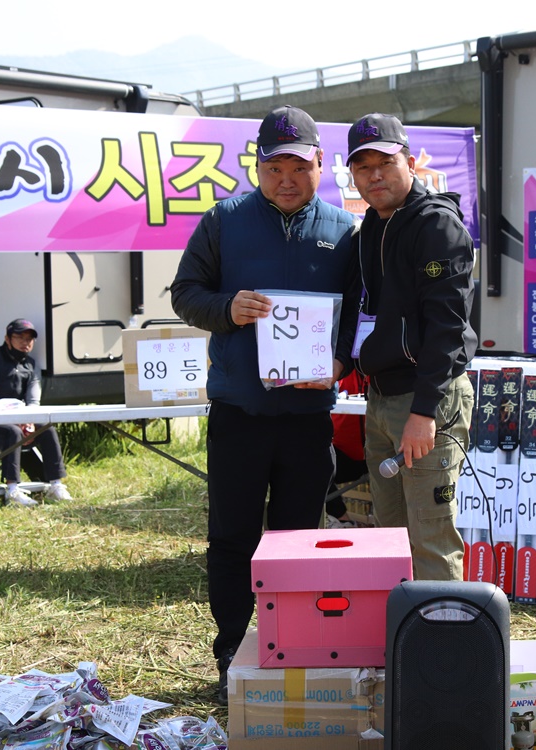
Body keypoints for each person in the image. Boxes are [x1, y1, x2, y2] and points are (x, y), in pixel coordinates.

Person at [170, 105, 359, 704]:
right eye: (274, 167)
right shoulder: (224, 221)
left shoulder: (345, 231)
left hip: (307, 419)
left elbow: (358, 316)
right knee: (232, 537)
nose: (286, 179)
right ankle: (231, 648)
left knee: (299, 539)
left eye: (298, 167)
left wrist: (340, 363)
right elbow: (185, 294)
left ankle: (293, 644)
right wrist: (227, 308)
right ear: (257, 166)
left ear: (320, 164)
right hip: (239, 414)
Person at [346, 112, 478, 582]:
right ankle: (403, 626)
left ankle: (444, 628)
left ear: (410, 163)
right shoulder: (371, 228)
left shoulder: (436, 226)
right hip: (382, 398)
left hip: (426, 400)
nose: (375, 175)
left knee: (430, 537)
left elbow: (447, 328)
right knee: (390, 536)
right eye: (363, 167)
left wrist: (424, 411)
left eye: (386, 162)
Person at [0, 318, 72, 507]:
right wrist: (19, 421)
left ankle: (56, 486)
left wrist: (29, 420)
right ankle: (12, 491)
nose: (25, 342)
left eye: (29, 339)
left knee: (47, 428)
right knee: (14, 431)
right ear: (7, 339)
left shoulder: (32, 365)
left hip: (21, 423)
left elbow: (33, 401)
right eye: (20, 337)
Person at [325, 370, 369, 528]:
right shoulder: (339, 369)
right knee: (312, 460)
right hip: (343, 455)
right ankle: (343, 521)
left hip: (382, 453)